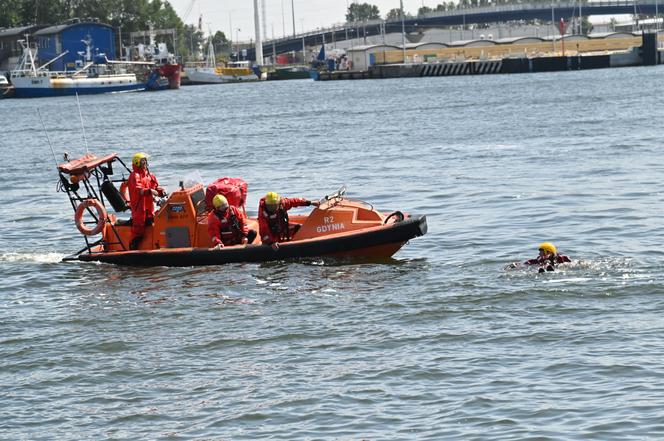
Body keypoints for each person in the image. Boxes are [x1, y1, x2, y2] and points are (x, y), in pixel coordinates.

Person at [127, 152, 165, 250]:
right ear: (137, 162)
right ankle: (132, 249)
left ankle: (154, 245)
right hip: (139, 207)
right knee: (138, 229)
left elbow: (155, 187)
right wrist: (149, 191)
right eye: (143, 161)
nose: (145, 163)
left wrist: (161, 191)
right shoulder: (134, 176)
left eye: (145, 160)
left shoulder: (149, 175)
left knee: (152, 222)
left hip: (148, 206)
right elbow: (138, 189)